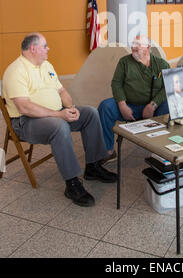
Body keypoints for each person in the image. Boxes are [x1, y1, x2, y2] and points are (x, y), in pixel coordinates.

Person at [2, 33, 117, 207]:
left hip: (56, 113)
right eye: (45, 46)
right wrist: (59, 115)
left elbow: (62, 91)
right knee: (59, 126)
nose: (48, 48)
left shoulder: (46, 65)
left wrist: (70, 108)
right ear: (33, 48)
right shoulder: (15, 71)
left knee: (90, 113)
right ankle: (71, 183)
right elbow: (24, 107)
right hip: (26, 122)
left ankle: (93, 166)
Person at [98, 35, 170, 163]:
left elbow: (167, 88)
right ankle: (108, 151)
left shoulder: (161, 64)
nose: (133, 47)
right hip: (129, 107)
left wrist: (153, 105)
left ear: (147, 47)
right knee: (105, 106)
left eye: (138, 44)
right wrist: (122, 105)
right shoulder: (124, 62)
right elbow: (116, 83)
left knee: (167, 105)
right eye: (133, 44)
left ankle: (160, 150)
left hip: (153, 109)